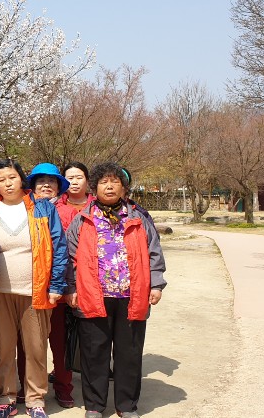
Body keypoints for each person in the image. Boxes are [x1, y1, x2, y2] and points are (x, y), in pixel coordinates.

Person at [66, 163, 167, 418]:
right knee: (94, 353)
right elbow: (69, 258)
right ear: (94, 187)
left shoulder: (139, 218)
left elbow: (154, 252)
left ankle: (126, 405)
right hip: (93, 295)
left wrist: (156, 284)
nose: (109, 186)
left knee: (129, 353)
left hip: (132, 295)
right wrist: (71, 288)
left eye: (115, 182)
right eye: (103, 182)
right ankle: (94, 405)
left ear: (124, 188)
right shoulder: (82, 220)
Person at [0, 159, 68, 418]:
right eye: (1, 180)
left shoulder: (42, 207)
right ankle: (6, 397)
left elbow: (59, 246)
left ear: (22, 178)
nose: (8, 184)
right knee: (3, 348)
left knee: (35, 349)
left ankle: (35, 400)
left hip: (36, 290)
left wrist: (56, 284)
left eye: (12, 177)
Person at [47, 161, 93, 408]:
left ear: (87, 180)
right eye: (70, 177)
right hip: (58, 282)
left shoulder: (97, 207)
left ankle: (87, 383)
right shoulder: (54, 207)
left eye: (79, 177)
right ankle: (62, 384)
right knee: (59, 338)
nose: (74, 182)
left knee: (87, 338)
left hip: (90, 282)